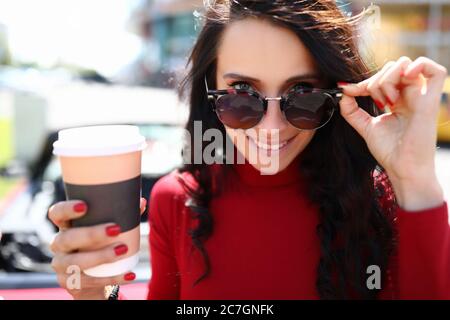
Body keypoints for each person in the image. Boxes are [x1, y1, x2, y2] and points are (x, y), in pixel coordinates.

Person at [48, 0, 449, 299]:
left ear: (334, 94)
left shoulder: (383, 199)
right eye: (242, 94)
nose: (272, 128)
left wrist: (415, 177)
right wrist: (96, 295)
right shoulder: (176, 200)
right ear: (211, 90)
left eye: (302, 94)